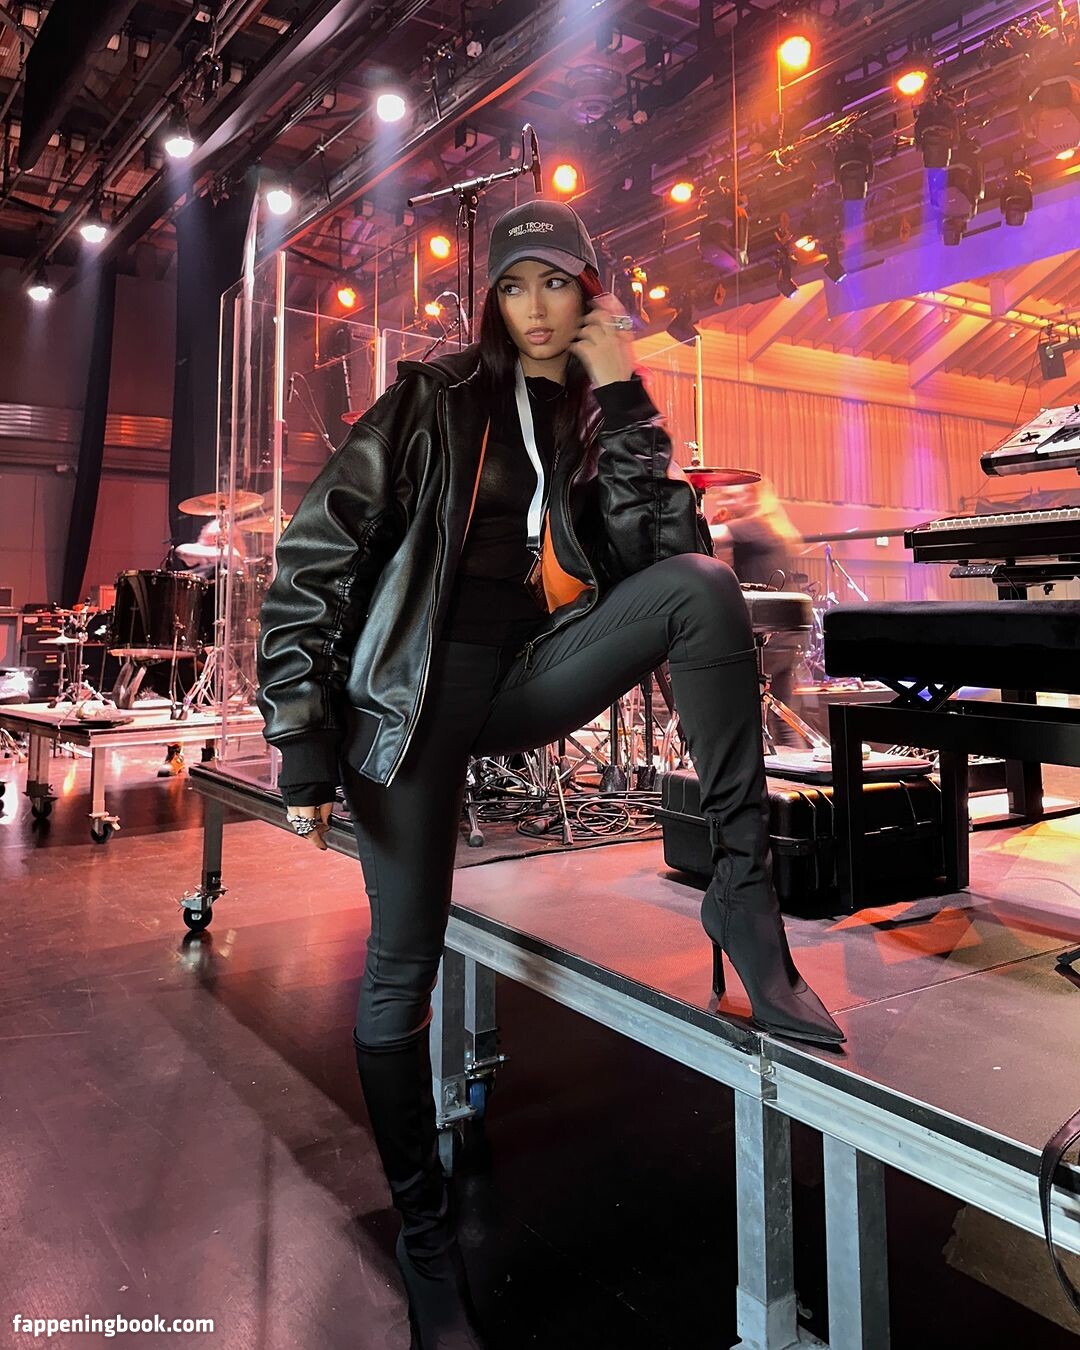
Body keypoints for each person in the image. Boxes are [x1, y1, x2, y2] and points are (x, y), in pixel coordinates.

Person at [255, 199, 842, 1349]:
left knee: (705, 591)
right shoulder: (431, 401)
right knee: (399, 971)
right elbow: (316, 553)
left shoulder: (588, 416)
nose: (535, 307)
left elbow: (667, 554)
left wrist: (624, 400)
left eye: (558, 283)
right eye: (515, 284)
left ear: (590, 296)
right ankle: (428, 1244)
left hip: (525, 677)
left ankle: (743, 895)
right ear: (492, 296)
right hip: (410, 702)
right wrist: (301, 733)